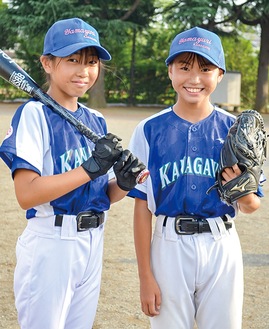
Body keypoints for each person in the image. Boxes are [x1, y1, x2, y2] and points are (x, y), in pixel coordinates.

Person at [0, 17, 145, 329]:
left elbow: (102, 193)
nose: (84, 70)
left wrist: (122, 182)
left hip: (93, 240)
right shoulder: (34, 114)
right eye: (73, 60)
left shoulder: (95, 119)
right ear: (48, 63)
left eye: (91, 62)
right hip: (52, 242)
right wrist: (89, 168)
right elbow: (27, 195)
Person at [127, 26, 264, 329]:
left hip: (221, 243)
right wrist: (145, 276)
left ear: (219, 75)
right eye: (184, 67)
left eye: (206, 68)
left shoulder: (235, 130)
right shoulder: (149, 130)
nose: (194, 78)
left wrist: (240, 191)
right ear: (170, 72)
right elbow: (141, 206)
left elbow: (252, 205)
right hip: (169, 245)